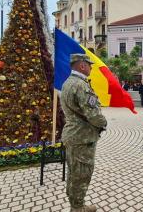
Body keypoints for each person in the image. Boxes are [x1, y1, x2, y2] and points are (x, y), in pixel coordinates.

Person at [60, 54, 108, 212]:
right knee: (82, 174)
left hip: (73, 135)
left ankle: (77, 205)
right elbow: (93, 114)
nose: (91, 67)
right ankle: (77, 208)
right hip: (82, 137)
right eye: (89, 64)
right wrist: (104, 123)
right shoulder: (81, 85)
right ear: (82, 66)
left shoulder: (67, 83)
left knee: (74, 172)